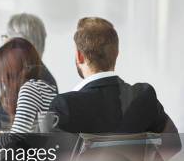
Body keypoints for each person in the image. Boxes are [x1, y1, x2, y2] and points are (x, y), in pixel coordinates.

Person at [49, 17, 180, 145]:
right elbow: (173, 144)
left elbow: (50, 160)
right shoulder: (143, 95)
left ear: (79, 56)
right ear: (116, 53)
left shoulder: (64, 106)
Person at [0, 13, 57, 131]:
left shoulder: (33, 84)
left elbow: (15, 140)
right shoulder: (30, 77)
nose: (3, 42)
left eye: (6, 37)